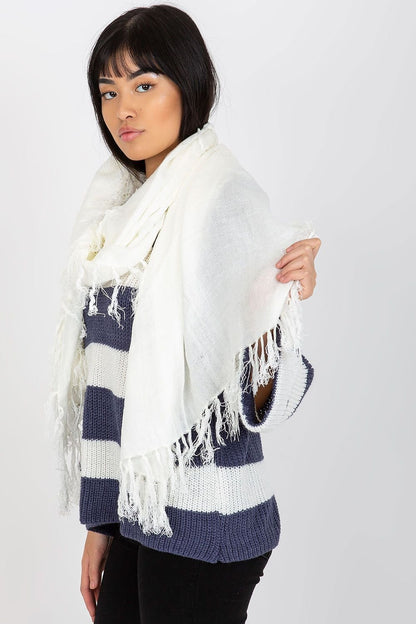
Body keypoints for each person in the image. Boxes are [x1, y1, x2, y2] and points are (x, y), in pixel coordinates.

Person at [46, 4, 321, 623]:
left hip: (209, 522)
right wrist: (101, 525)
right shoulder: (115, 215)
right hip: (139, 513)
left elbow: (271, 399)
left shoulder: (224, 204)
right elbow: (109, 385)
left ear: (190, 86)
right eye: (109, 92)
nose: (123, 109)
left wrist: (275, 310)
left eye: (144, 86)